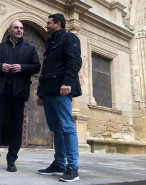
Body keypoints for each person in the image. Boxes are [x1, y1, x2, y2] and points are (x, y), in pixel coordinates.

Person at [0, 21, 40, 172]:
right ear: (9, 30)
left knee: (16, 126)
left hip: (19, 93)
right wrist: (0, 66)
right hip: (0, 92)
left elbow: (36, 67)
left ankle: (11, 161)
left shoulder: (30, 48)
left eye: (21, 28)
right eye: (16, 28)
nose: (19, 30)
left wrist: (22, 68)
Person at [36, 13, 82, 182]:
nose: (46, 25)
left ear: (58, 24)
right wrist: (40, 93)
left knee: (67, 127)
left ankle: (73, 168)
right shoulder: (51, 42)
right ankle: (59, 163)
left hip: (61, 89)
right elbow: (46, 69)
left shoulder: (70, 38)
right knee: (56, 129)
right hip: (48, 92)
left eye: (48, 23)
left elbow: (75, 61)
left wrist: (68, 82)